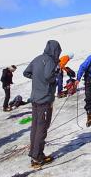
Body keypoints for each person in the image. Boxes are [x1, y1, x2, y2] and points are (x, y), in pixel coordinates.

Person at [23, 40, 62, 168]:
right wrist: (55, 75)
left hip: (35, 100)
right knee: (42, 129)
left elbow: (26, 72)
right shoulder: (50, 61)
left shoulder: (37, 59)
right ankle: (37, 157)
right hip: (44, 100)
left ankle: (34, 153)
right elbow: (48, 77)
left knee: (35, 128)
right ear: (55, 51)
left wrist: (37, 79)